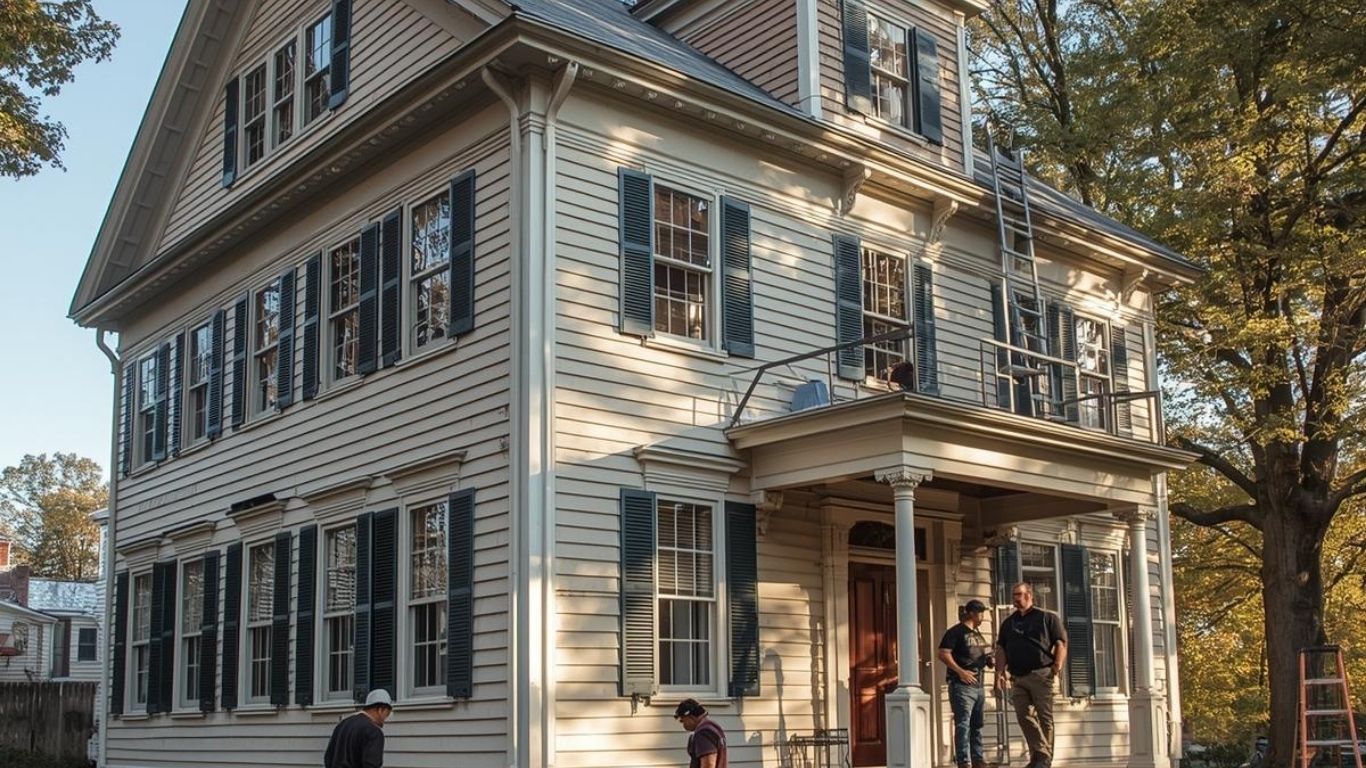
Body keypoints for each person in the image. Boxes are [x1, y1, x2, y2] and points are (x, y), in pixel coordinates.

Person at [994, 582, 1067, 768]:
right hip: (1017, 676)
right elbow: (1001, 648)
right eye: (1014, 595)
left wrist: (1056, 668)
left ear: (1029, 595)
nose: (1015, 599)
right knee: (1023, 715)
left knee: (1045, 717)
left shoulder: (1046, 618)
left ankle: (1041, 760)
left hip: (1041, 674)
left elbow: (1060, 644)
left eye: (1019, 594)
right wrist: (999, 673)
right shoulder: (1008, 623)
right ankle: (1042, 754)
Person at [938, 599, 993, 768]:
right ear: (972, 613)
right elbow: (943, 653)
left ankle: (977, 759)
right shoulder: (955, 632)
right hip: (962, 686)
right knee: (963, 723)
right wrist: (960, 672)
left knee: (976, 724)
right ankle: (963, 761)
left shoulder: (977, 634)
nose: (983, 616)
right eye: (981, 612)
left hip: (979, 685)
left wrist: (989, 659)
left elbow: (980, 657)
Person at [324, 688, 394, 768]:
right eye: (387, 714)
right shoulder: (373, 732)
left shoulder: (342, 725)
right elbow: (372, 765)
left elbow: (328, 758)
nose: (386, 718)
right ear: (380, 709)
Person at [675, 698, 727, 768]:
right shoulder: (714, 727)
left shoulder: (703, 732)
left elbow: (709, 764)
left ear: (690, 717)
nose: (683, 725)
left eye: (682, 721)